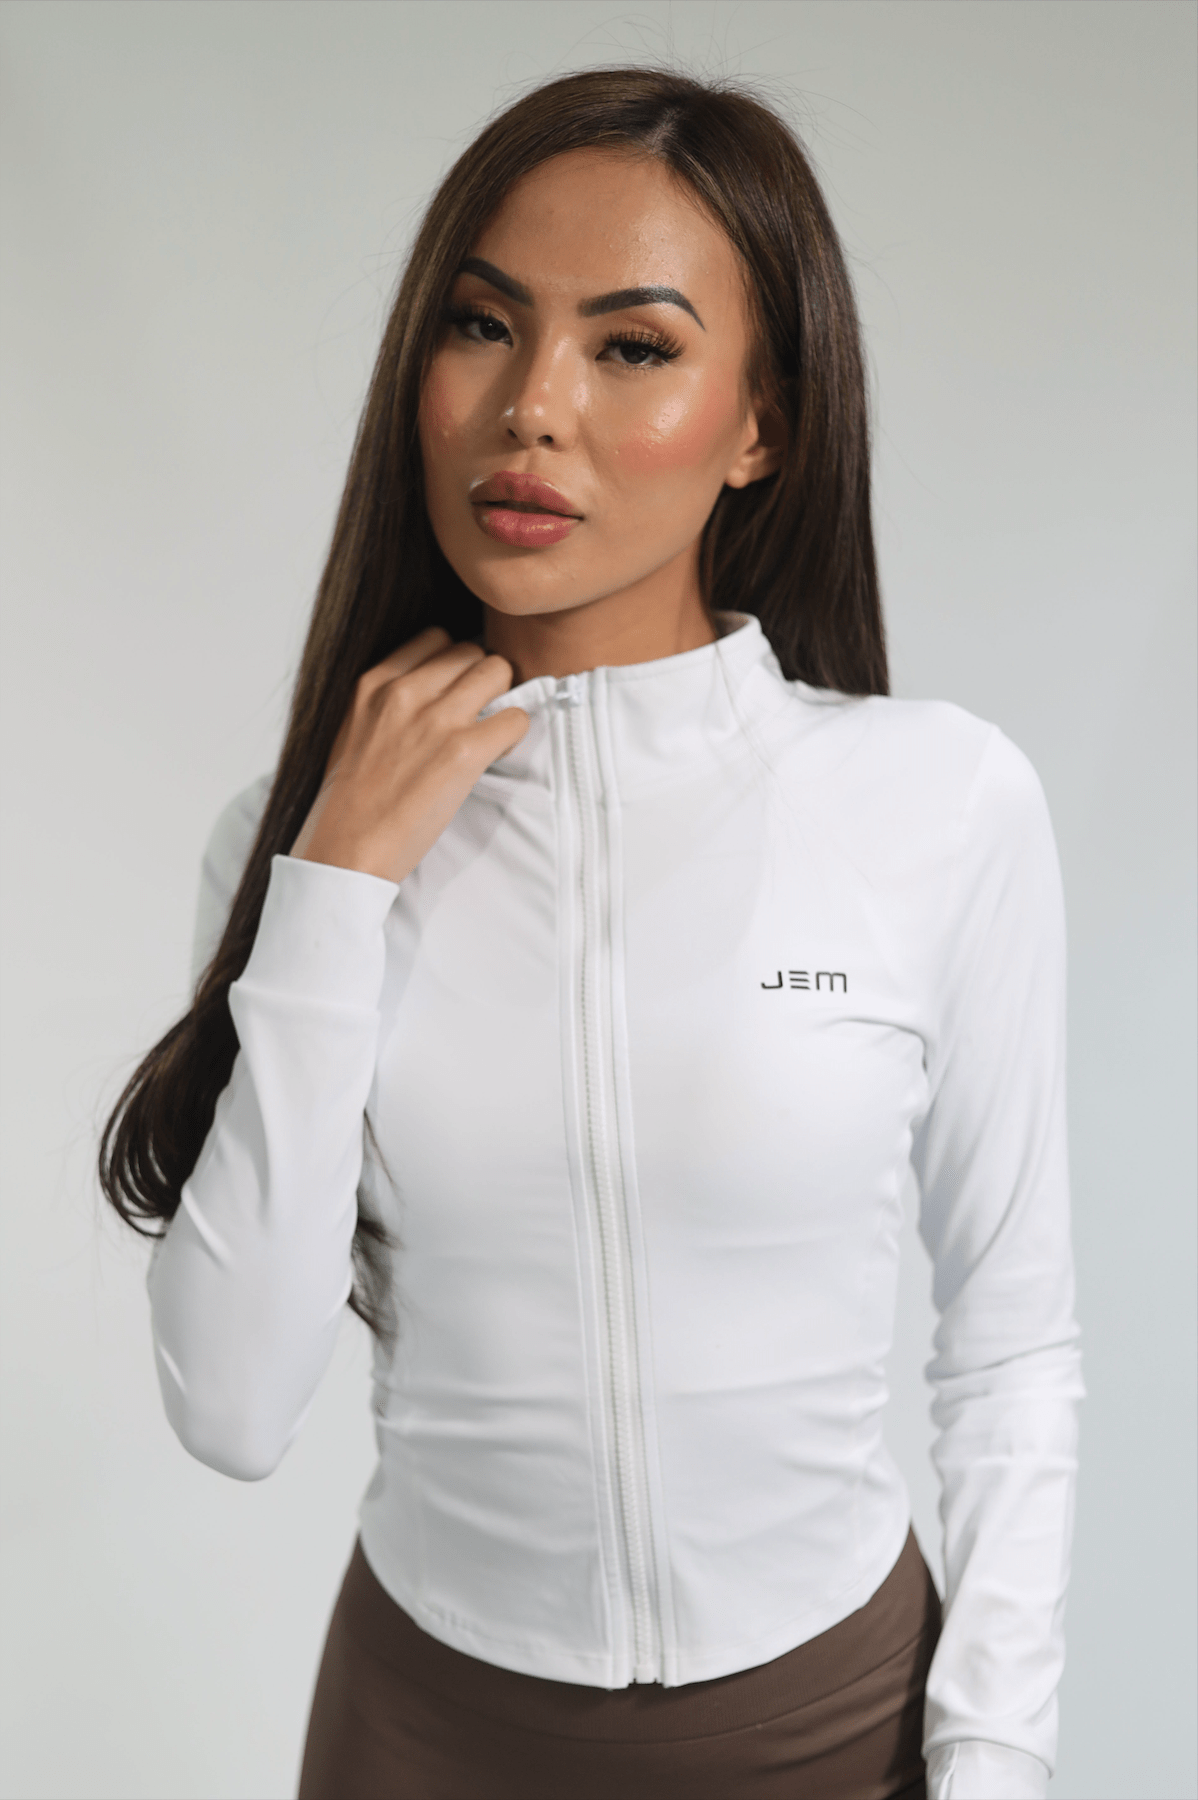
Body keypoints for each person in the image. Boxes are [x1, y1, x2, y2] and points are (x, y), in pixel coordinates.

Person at [99, 68, 1083, 1800]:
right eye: (483, 326)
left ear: (760, 425)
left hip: (830, 1726)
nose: (531, 408)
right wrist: (334, 882)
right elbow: (233, 1411)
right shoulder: (299, 847)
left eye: (631, 347)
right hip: (426, 1733)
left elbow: (1009, 1349)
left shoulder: (937, 802)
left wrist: (992, 1755)